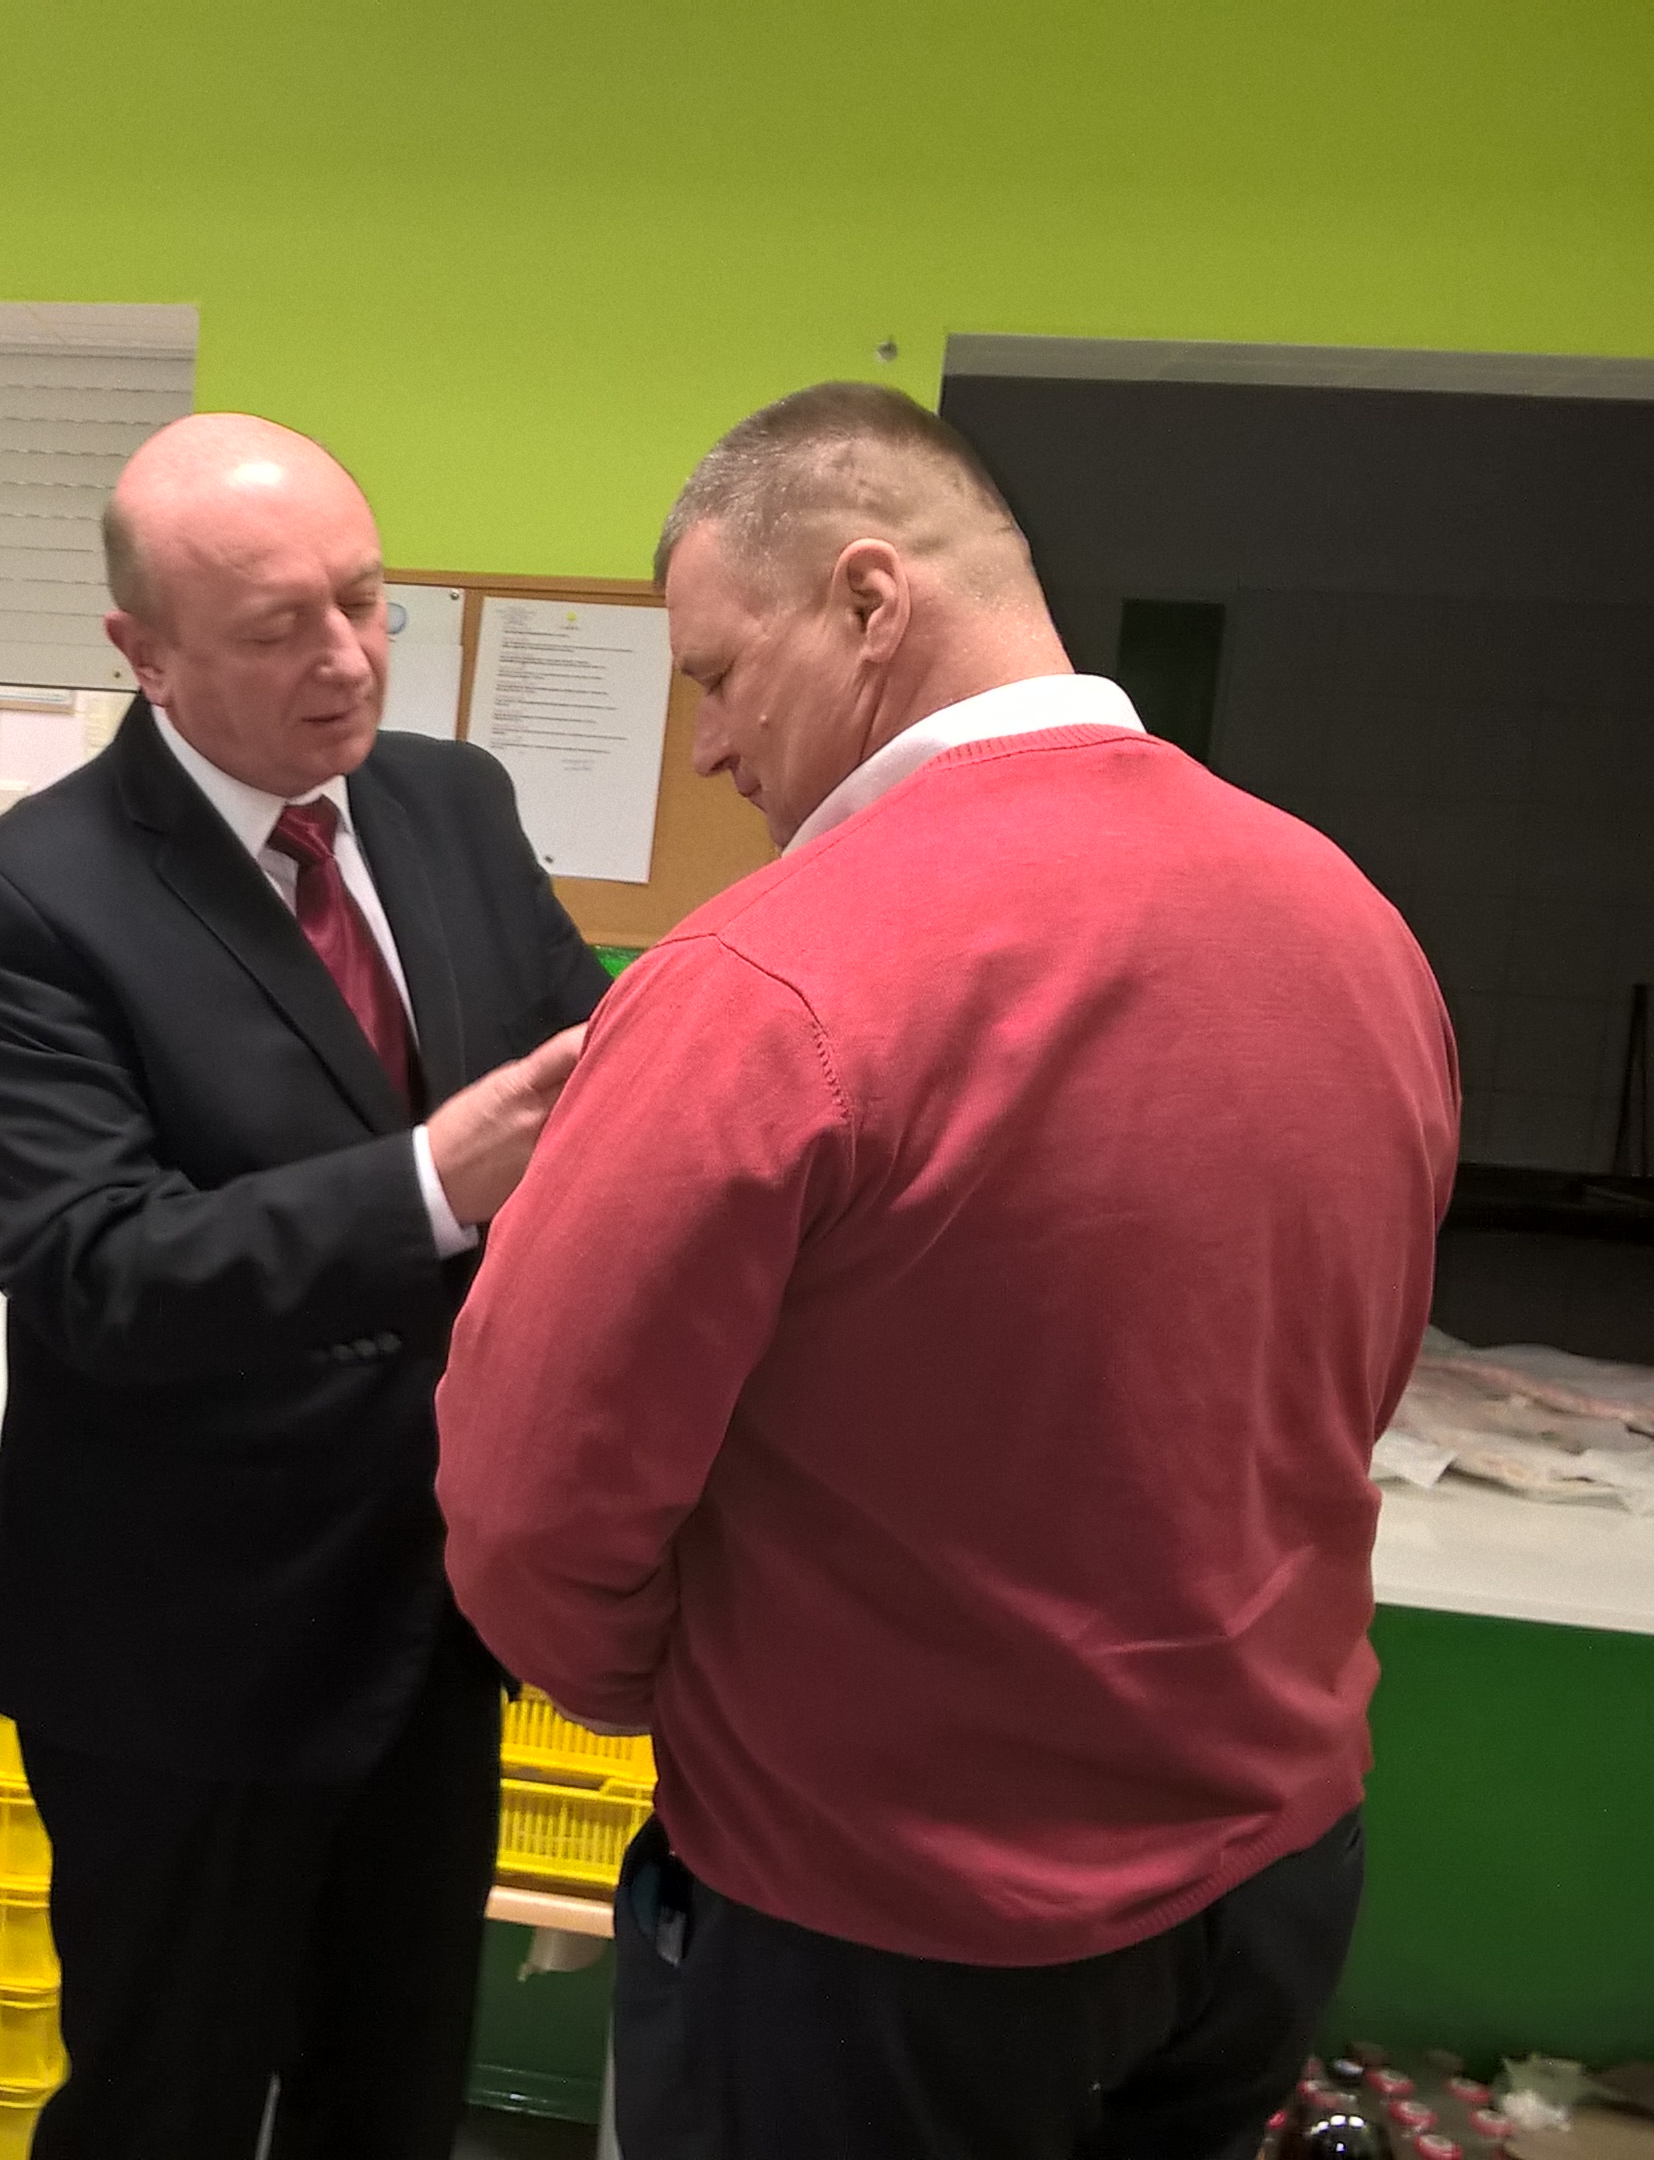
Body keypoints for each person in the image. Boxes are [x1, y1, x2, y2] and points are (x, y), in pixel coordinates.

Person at [433, 383, 1462, 2159]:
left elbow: (528, 1503)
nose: (709, 748)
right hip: (1268, 1881)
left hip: (884, 1921)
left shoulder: (767, 980)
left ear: (868, 600)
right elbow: (1343, 1379)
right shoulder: (1352, 922)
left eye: (718, 676)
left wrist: (679, 1688)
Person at [0, 412, 605, 2159]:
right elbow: (99, 1268)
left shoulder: (452, 804)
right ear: (143, 652)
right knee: (167, 2102)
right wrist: (430, 1181)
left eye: (364, 600)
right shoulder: (28, 896)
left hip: (431, 1616)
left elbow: (587, 1086)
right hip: (181, 1657)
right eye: (277, 627)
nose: (347, 658)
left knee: (395, 2094)